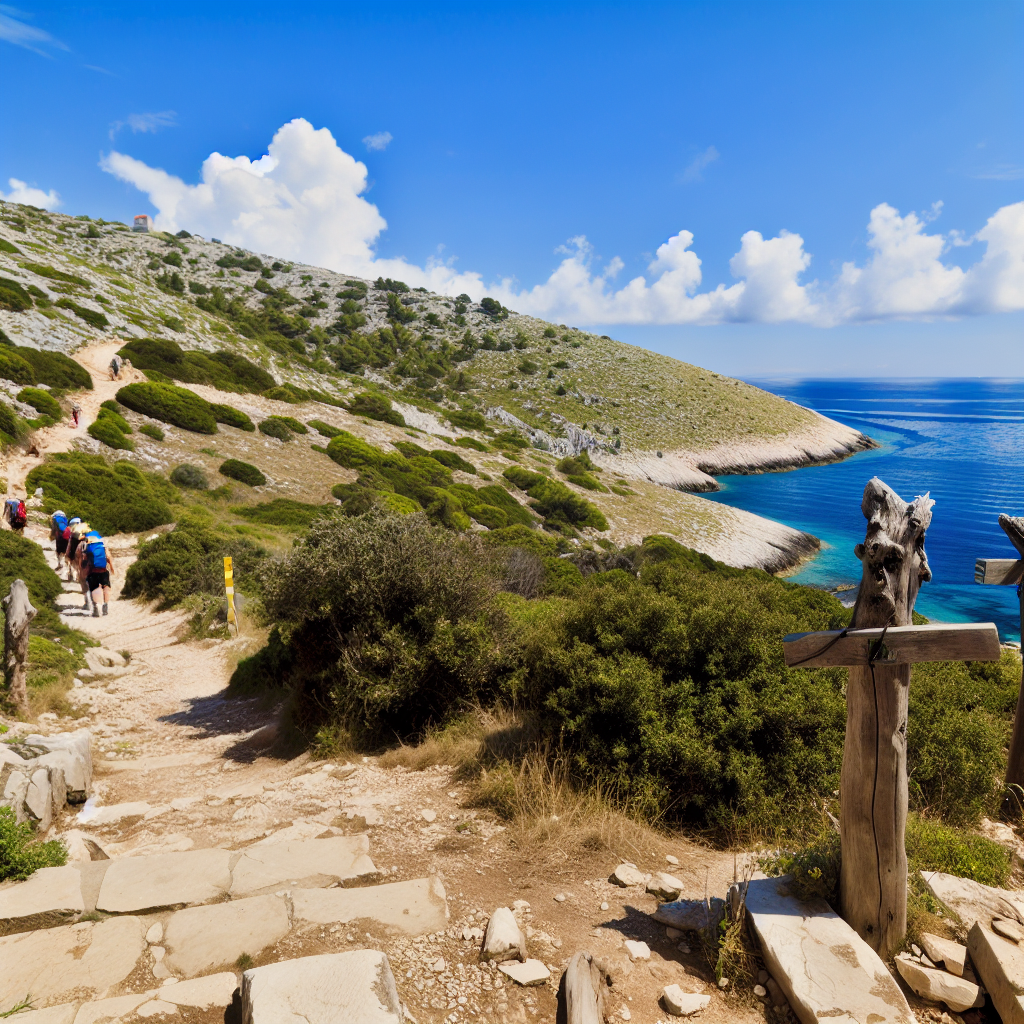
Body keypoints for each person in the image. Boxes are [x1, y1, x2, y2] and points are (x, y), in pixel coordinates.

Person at [82, 529, 114, 617]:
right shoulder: (102, 546)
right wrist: (111, 568)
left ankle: (95, 609)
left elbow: (84, 561)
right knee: (106, 587)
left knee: (92, 589)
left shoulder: (87, 547)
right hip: (103, 571)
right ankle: (105, 605)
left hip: (93, 572)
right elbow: (108, 557)